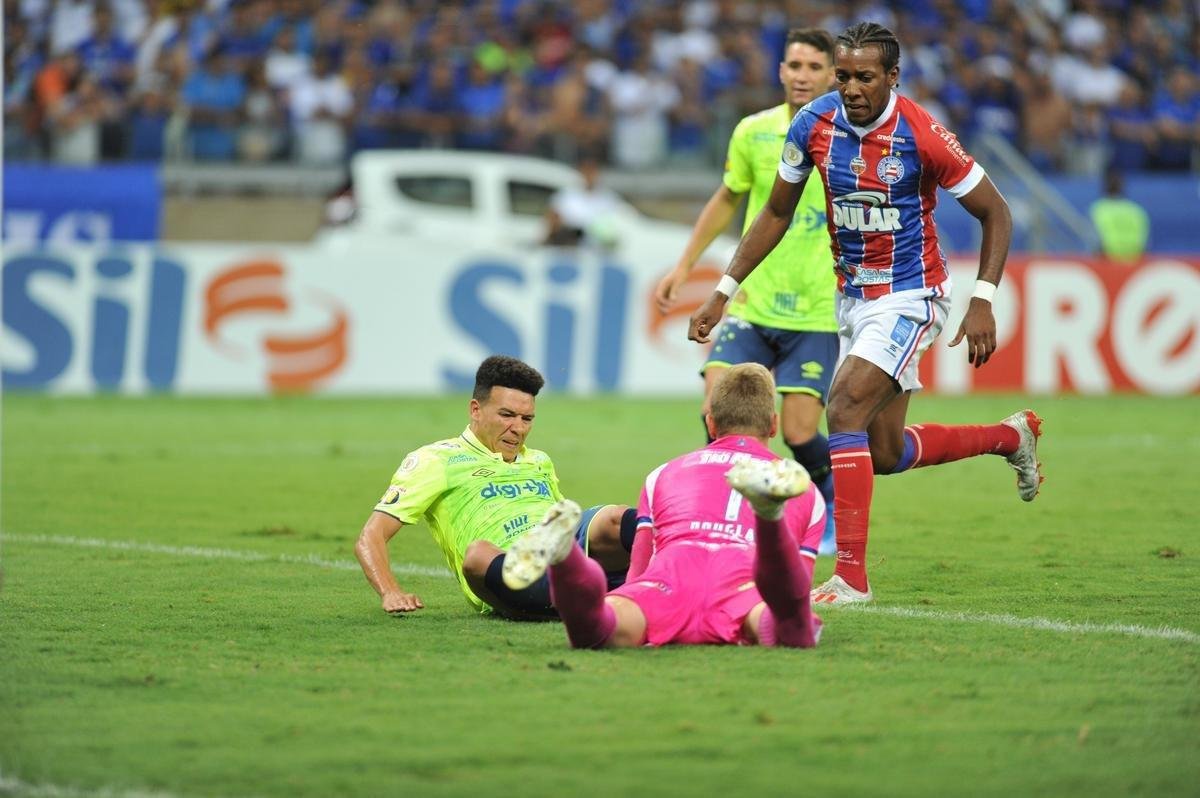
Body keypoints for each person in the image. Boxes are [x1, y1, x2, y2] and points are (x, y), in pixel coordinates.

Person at [688, 22, 1043, 605]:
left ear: (892, 78)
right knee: (882, 452)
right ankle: (1010, 436)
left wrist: (983, 298)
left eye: (865, 77)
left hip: (912, 294)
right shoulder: (814, 123)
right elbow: (775, 213)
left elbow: (996, 212)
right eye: (845, 75)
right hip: (852, 298)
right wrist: (724, 288)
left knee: (843, 406)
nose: (851, 88)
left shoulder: (922, 134)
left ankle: (851, 577)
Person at [656, 28, 840, 555]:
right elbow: (726, 198)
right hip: (753, 303)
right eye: (794, 66)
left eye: (813, 67)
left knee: (802, 434)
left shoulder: (846, 139)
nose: (802, 75)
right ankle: (715, 514)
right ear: (781, 71)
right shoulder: (753, 132)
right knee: (717, 410)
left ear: (831, 75)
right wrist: (685, 265)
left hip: (816, 311)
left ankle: (824, 501)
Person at [502, 363, 825, 649]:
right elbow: (796, 592)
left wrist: (633, 599)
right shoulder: (804, 490)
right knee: (793, 628)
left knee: (597, 629)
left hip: (670, 579)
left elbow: (640, 569)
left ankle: (565, 556)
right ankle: (768, 515)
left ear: (711, 424)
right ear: (773, 425)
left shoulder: (663, 474)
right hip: (746, 586)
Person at [354, 355, 634, 620]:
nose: (518, 428)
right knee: (477, 555)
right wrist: (390, 592)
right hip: (507, 568)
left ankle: (651, 580)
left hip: (561, 552)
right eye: (507, 415)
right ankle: (604, 595)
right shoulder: (436, 460)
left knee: (617, 517)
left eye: (527, 419)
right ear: (476, 410)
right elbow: (371, 536)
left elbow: (564, 523)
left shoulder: (539, 460)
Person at [542, 150, 622, 248]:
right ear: (580, 171)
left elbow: (617, 225)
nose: (589, 175)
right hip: (569, 250)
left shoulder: (609, 198)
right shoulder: (566, 196)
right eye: (586, 170)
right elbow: (552, 221)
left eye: (592, 170)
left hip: (599, 251)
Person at [1089, 168, 1149, 262]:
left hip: (1109, 259)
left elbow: (1095, 238)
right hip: (1134, 259)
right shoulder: (1136, 210)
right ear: (1122, 187)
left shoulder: (1099, 208)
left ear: (1104, 187)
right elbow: (1145, 239)